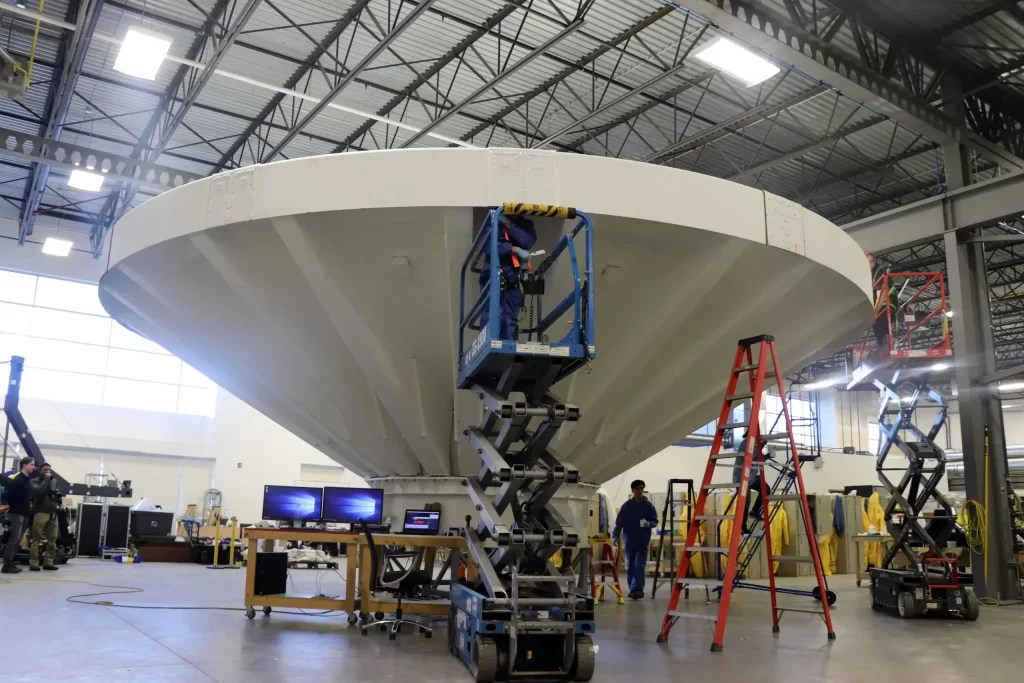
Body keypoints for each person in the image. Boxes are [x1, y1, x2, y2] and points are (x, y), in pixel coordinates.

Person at [479, 214, 537, 340]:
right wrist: (514, 249)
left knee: (510, 318)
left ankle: (507, 345)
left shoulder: (525, 224)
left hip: (513, 278)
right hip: (492, 276)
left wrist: (509, 224)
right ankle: (487, 342)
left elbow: (526, 241)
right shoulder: (493, 222)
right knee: (492, 313)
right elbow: (489, 247)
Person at [612, 479, 659, 600]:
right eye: (637, 489)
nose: (640, 491)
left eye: (642, 489)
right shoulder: (627, 506)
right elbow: (619, 523)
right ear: (633, 490)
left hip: (642, 539)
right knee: (630, 565)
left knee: (639, 564)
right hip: (629, 539)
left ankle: (637, 589)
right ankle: (632, 588)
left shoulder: (648, 506)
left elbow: (655, 520)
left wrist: (648, 524)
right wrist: (615, 536)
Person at [2, 456, 36, 574]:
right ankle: (7, 564)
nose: (33, 467)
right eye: (31, 464)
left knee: (17, 539)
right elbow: (10, 495)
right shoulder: (18, 480)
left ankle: (11, 563)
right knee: (14, 538)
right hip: (17, 513)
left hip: (25, 513)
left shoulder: (27, 480)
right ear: (24, 465)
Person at [29, 463, 60, 571]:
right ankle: (34, 563)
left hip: (53, 512)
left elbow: (55, 493)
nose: (47, 472)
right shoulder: (34, 481)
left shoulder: (54, 481)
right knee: (36, 538)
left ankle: (49, 562)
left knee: (52, 538)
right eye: (45, 470)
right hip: (41, 512)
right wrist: (46, 480)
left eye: (49, 470)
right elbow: (39, 492)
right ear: (39, 470)